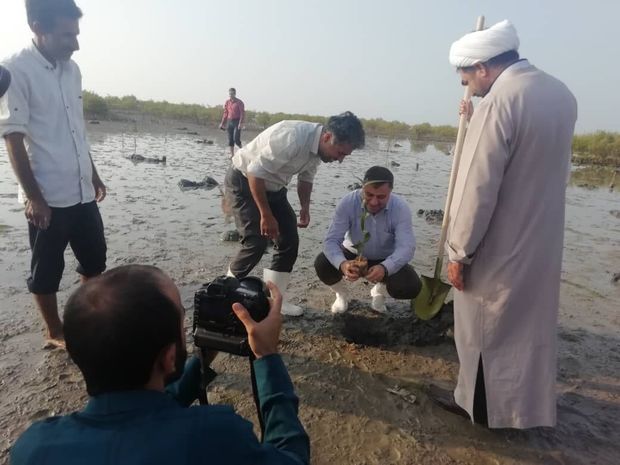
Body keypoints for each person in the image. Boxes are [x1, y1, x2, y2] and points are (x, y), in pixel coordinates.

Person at [429, 20, 577, 429]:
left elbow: (479, 186)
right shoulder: (560, 94)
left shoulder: (500, 102)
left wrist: (459, 251)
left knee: (482, 329)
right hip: (542, 240)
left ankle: (477, 409)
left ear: (483, 67)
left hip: (498, 244)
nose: (468, 87)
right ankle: (522, 409)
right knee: (526, 329)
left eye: (467, 78)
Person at [10, 265, 310, 465]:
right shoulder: (216, 435)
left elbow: (137, 412)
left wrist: (200, 361)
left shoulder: (33, 447)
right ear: (168, 358)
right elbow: (291, 455)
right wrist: (267, 356)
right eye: (182, 316)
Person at [0, 0, 107, 349]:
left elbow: (76, 129)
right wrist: (34, 197)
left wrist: (93, 174)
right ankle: (54, 330)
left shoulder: (72, 69)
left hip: (81, 190)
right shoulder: (15, 70)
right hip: (47, 195)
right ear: (37, 28)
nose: (75, 44)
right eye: (66, 36)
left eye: (75, 34)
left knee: (94, 260)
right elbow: (12, 139)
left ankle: (88, 319)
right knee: (46, 271)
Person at [225, 112, 365, 316]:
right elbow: (255, 172)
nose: (340, 160)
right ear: (327, 137)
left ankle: (275, 302)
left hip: (275, 188)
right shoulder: (292, 137)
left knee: (289, 241)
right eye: (340, 153)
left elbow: (306, 179)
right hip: (244, 181)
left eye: (345, 155)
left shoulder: (319, 150)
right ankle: (223, 291)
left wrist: (304, 208)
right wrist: (266, 215)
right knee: (256, 242)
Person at [314, 166, 421, 313]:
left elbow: (407, 247)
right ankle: (341, 294)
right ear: (362, 188)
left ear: (391, 191)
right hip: (352, 254)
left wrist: (385, 268)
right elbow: (331, 240)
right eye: (369, 194)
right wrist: (342, 264)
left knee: (410, 286)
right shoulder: (348, 203)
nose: (374, 202)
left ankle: (379, 292)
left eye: (381, 197)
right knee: (323, 263)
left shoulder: (400, 208)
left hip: (384, 259)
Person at [219, 87, 245, 157]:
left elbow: (242, 113)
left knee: (236, 139)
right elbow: (225, 113)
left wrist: (241, 123)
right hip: (229, 121)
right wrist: (222, 123)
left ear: (235, 94)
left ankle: (243, 151)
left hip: (237, 121)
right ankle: (232, 154)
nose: (231, 95)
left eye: (232, 94)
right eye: (230, 94)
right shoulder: (227, 102)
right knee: (230, 139)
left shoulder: (239, 102)